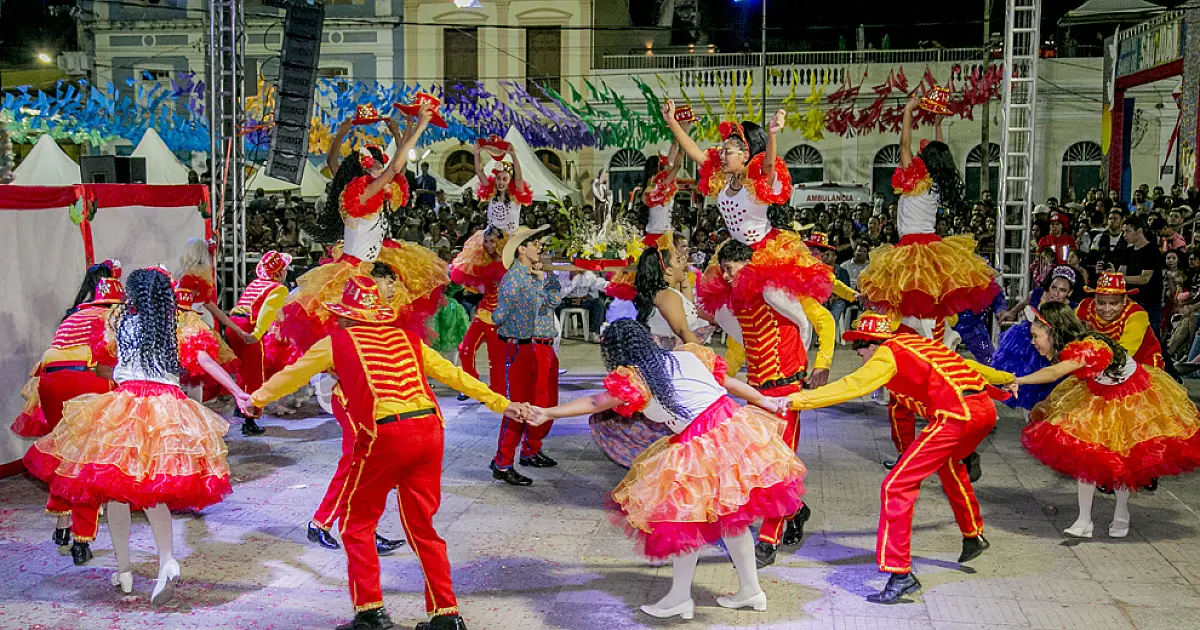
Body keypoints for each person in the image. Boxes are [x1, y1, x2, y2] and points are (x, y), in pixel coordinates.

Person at [236, 275, 530, 630]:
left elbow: (291, 375)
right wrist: (502, 403)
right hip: (430, 431)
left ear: (347, 314)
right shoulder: (408, 338)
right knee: (423, 527)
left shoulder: (336, 342)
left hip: (386, 433)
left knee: (357, 524)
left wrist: (254, 401)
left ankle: (371, 612)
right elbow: (452, 375)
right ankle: (446, 615)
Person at [528, 319, 807, 620]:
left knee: (683, 520)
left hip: (704, 440)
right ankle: (751, 591)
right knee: (730, 518)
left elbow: (595, 401)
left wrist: (547, 412)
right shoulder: (687, 355)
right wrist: (763, 399)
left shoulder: (635, 378)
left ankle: (680, 598)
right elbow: (727, 384)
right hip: (732, 425)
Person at [25, 268, 247, 606]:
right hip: (166, 410)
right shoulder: (179, 325)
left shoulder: (120, 323)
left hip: (124, 406)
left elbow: (105, 367)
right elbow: (204, 359)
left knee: (116, 495)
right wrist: (237, 392)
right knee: (154, 491)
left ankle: (125, 571)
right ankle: (167, 559)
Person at [782, 313, 1013, 604]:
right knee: (948, 464)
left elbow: (852, 386)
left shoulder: (886, 356)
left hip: (956, 415)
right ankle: (973, 534)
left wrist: (797, 399)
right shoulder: (915, 345)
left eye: (859, 347)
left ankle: (899, 573)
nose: (857, 354)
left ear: (873, 345)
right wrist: (1005, 379)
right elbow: (967, 364)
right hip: (983, 410)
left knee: (896, 486)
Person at [1014, 302, 1200, 539]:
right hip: (1097, 392)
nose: (1033, 342)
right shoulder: (1072, 348)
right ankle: (1084, 520)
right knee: (1086, 453)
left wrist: (1017, 380)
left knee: (1122, 457)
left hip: (1131, 397)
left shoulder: (1088, 348)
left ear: (1052, 331)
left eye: (1035, 336)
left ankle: (1121, 514)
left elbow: (1053, 373)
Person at [280, 101, 447, 353]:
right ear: (365, 170)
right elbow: (393, 168)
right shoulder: (362, 193)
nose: (381, 170)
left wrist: (405, 127)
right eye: (376, 166)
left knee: (385, 324)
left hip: (373, 261)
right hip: (356, 270)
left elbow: (389, 168)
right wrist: (420, 125)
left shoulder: (366, 191)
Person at [661, 100, 833, 335]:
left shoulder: (757, 182)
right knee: (720, 312)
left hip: (765, 252)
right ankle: (754, 350)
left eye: (728, 151)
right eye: (721, 150)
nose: (721, 155)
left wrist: (772, 135)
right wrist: (672, 122)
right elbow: (693, 151)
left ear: (745, 155)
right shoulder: (721, 179)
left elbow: (770, 163)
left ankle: (803, 330)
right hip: (735, 253)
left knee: (774, 296)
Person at [716, 240, 833, 567]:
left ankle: (769, 538)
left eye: (731, 268)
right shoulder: (737, 301)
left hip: (786, 389)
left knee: (779, 466)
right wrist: (721, 376)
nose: (726, 276)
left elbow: (816, 322)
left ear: (746, 263)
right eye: (723, 269)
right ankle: (797, 510)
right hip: (757, 392)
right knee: (756, 463)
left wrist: (817, 362)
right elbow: (741, 345)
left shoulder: (778, 289)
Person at [856, 94, 999, 328]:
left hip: (911, 248)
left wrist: (908, 111)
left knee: (911, 306)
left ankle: (924, 344)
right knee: (928, 304)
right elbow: (940, 152)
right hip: (930, 246)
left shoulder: (915, 179)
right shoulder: (938, 182)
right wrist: (937, 125)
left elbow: (904, 145)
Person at [13, 278, 125, 566]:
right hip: (86, 377)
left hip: (50, 378)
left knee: (63, 454)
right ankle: (81, 538)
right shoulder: (116, 315)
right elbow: (112, 359)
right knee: (89, 460)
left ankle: (61, 528)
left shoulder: (76, 315)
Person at [589, 232, 709, 468]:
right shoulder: (665, 296)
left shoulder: (669, 293)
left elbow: (690, 308)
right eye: (677, 260)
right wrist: (705, 364)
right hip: (670, 359)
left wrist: (682, 276)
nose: (684, 259)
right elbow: (684, 331)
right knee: (669, 415)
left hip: (671, 355)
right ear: (665, 270)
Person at [489, 226, 561, 486]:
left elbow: (545, 302)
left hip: (524, 346)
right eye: (535, 245)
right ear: (522, 249)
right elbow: (499, 315)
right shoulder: (515, 278)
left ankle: (504, 459)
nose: (539, 249)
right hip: (516, 347)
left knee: (526, 405)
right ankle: (503, 462)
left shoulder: (525, 277)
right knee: (517, 407)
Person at [223, 251, 291, 436]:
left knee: (243, 370)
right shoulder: (277, 289)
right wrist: (257, 334)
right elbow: (267, 312)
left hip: (233, 326)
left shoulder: (256, 284)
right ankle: (250, 419)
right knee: (255, 374)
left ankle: (240, 408)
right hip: (248, 327)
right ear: (279, 272)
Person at [992, 266, 1079, 412]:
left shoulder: (1072, 308)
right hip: (1026, 340)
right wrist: (1011, 313)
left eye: (1062, 290)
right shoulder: (1038, 294)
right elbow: (1024, 304)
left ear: (1069, 292)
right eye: (1054, 287)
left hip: (1052, 347)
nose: (1056, 293)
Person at [1121, 215, 1165, 338]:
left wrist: (1121, 277)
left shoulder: (1152, 250)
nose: (1124, 235)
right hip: (1131, 301)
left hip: (1149, 302)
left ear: (1139, 231)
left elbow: (1144, 278)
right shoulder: (1128, 251)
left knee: (1151, 338)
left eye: (1128, 231)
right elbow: (1121, 272)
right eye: (1123, 231)